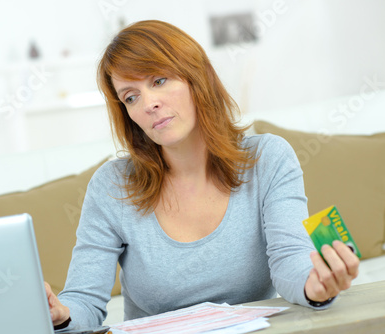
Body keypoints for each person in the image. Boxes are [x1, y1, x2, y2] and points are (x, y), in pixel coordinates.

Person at [44, 20, 360, 329]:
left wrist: (315, 286)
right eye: (131, 97)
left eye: (159, 81)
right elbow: (85, 301)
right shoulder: (112, 185)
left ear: (196, 77)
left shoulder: (268, 159)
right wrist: (61, 314)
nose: (149, 104)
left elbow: (291, 259)